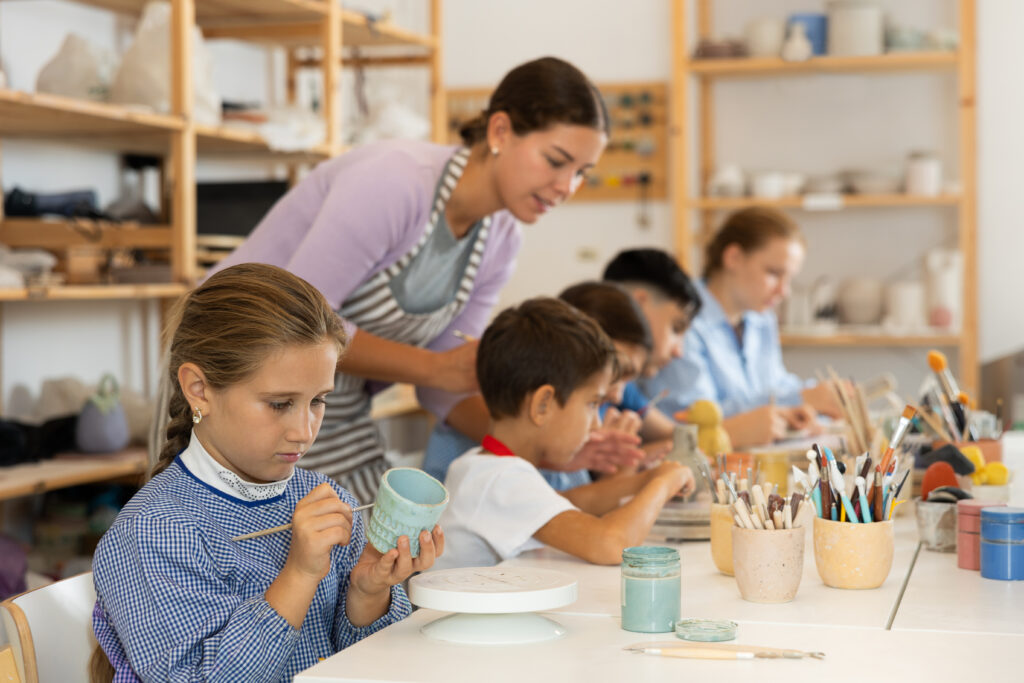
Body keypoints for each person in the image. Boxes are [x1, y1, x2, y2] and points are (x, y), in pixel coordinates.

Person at [201, 57, 609, 502]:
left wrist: (550, 446)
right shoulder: (395, 181)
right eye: (556, 161)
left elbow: (443, 393)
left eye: (583, 173)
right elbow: (294, 326)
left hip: (331, 411)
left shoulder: (502, 240)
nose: (567, 186)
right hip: (230, 382)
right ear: (499, 132)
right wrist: (437, 368)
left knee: (380, 543)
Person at [91, 264, 443, 682]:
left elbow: (375, 668)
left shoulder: (327, 499)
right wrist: (298, 574)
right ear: (199, 389)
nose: (304, 431)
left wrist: (367, 593)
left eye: (318, 401)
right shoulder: (154, 531)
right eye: (279, 404)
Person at [433, 298, 694, 570]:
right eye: (592, 404)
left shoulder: (487, 465)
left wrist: (649, 478)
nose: (595, 423)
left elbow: (579, 501)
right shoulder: (499, 479)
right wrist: (662, 485)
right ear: (542, 404)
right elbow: (611, 544)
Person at [640, 207, 842, 449]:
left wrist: (810, 399)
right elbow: (694, 415)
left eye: (789, 279)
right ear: (733, 257)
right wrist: (799, 399)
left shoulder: (761, 318)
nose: (784, 292)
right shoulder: (681, 318)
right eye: (774, 273)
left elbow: (774, 384)